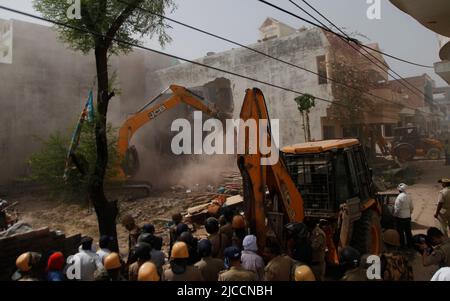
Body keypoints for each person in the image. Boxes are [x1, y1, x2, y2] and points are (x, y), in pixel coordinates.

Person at [393, 183, 414, 248]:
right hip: (407, 217)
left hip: (400, 218)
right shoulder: (408, 196)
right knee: (408, 232)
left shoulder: (399, 197)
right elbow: (412, 207)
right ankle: (410, 245)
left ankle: (402, 246)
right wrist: (409, 213)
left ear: (399, 190)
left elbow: (397, 209)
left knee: (400, 232)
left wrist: (394, 215)